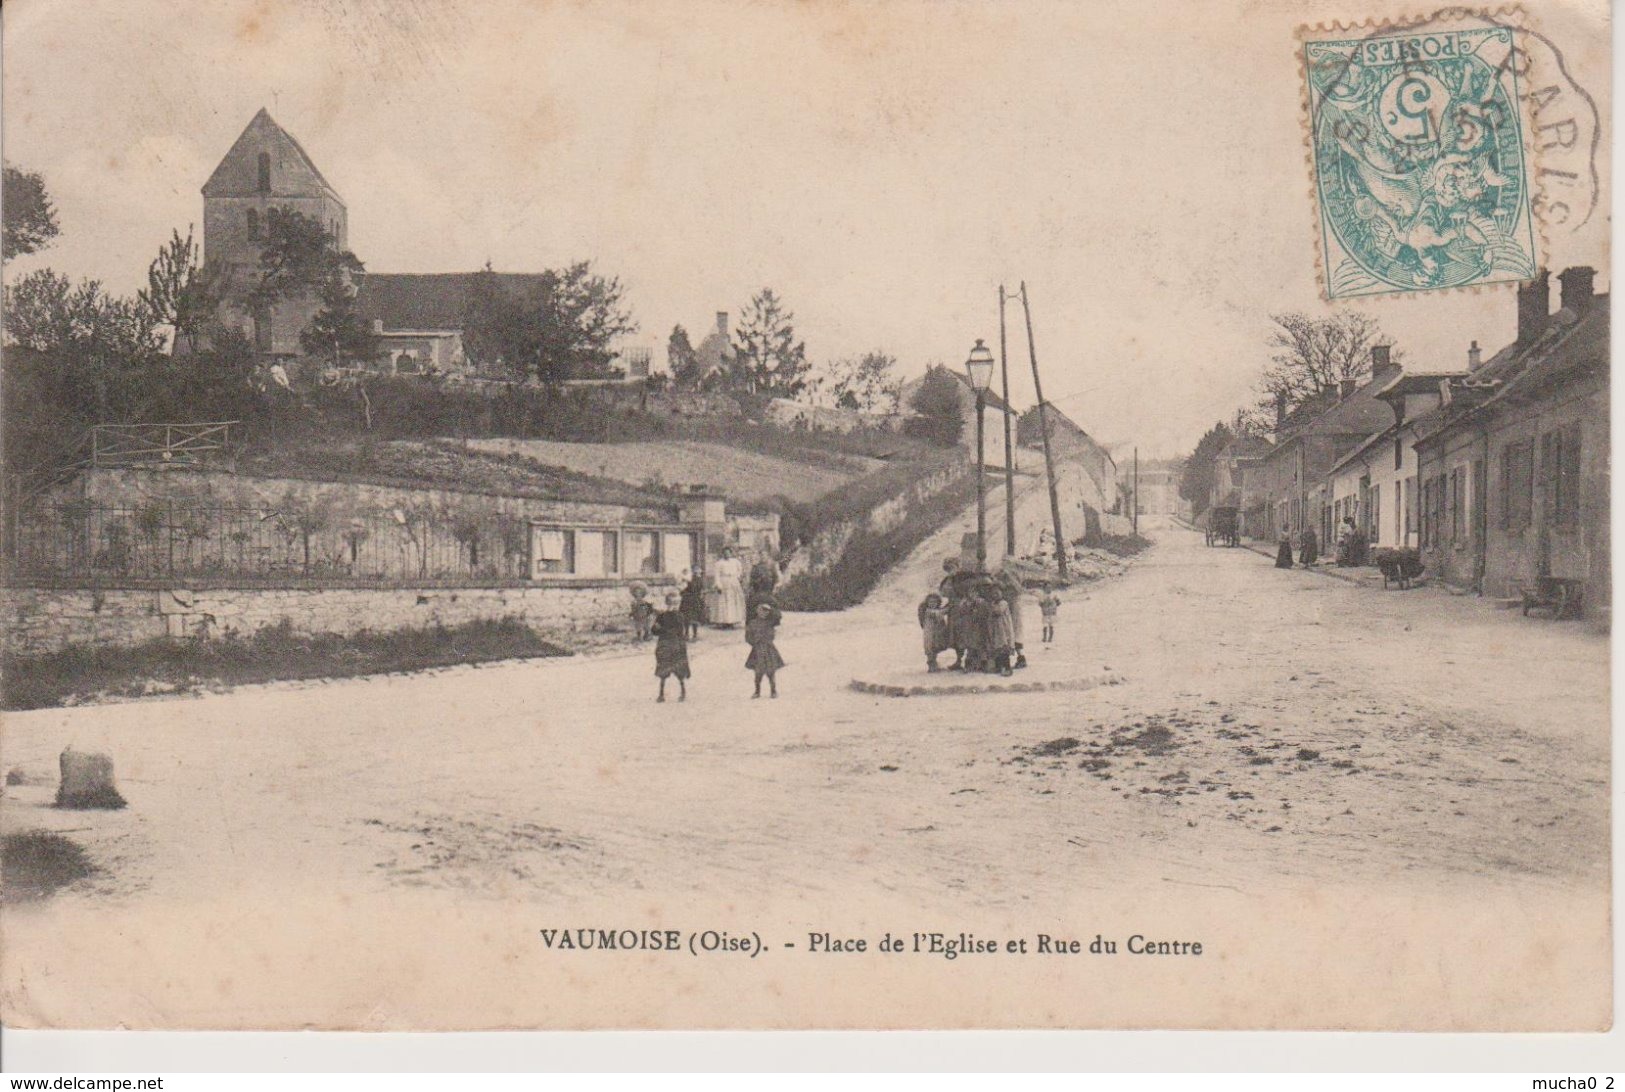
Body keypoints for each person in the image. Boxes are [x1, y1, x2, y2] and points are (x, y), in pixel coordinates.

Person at [652, 591, 690, 702]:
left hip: (676, 645)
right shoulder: (662, 616)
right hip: (664, 646)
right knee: (663, 671)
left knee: (679, 670)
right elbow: (654, 631)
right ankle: (661, 694)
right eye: (671, 604)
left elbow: (678, 630)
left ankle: (683, 691)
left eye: (677, 604)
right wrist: (656, 627)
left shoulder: (679, 616)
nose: (674, 606)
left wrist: (662, 629)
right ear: (667, 603)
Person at [744, 600, 786, 698]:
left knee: (771, 672)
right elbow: (748, 636)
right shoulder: (752, 623)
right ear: (757, 612)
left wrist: (766, 639)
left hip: (769, 650)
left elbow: (772, 635)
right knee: (758, 673)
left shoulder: (769, 623)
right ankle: (757, 691)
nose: (764, 613)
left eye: (766, 612)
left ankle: (773, 691)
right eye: (762, 611)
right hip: (757, 650)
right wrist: (754, 642)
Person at [995, 560, 1028, 669]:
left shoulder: (1011, 588)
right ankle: (1020, 658)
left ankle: (1020, 658)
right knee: (1014, 634)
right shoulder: (1014, 585)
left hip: (1013, 612)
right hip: (1013, 611)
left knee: (1013, 634)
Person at [982, 582, 1016, 676]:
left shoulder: (1003, 603)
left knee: (1003, 649)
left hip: (1003, 630)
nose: (995, 595)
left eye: (997, 593)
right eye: (993, 593)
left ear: (1002, 593)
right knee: (996, 649)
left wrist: (991, 607)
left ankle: (1007, 667)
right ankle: (998, 666)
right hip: (995, 630)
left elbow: (998, 611)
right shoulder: (993, 603)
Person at [710, 547, 746, 627]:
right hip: (724, 582)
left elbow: (740, 570)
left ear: (731, 553)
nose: (727, 554)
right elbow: (717, 575)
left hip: (733, 582)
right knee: (723, 602)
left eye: (728, 553)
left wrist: (737, 577)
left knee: (733, 601)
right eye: (725, 553)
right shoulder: (719, 563)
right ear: (723, 554)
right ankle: (723, 621)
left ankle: (733, 621)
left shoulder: (735, 562)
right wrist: (718, 585)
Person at [918, 591, 951, 671]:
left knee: (934, 648)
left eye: (934, 602)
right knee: (930, 649)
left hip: (936, 633)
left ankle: (934, 664)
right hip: (930, 634)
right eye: (930, 602)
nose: (932, 604)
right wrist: (949, 607)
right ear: (927, 602)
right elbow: (939, 613)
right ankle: (932, 666)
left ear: (938, 602)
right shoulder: (928, 611)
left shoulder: (935, 610)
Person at [679, 569, 705, 640]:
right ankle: (692, 635)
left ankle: (689, 634)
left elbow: (681, 591)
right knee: (692, 617)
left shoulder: (688, 580)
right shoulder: (698, 580)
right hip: (692, 600)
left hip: (688, 600)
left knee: (688, 617)